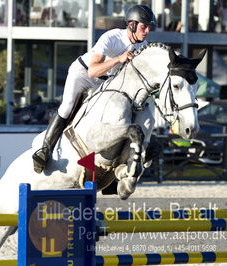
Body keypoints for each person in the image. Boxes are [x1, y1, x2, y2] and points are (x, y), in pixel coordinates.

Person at [32, 4, 156, 173]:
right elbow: (93, 71)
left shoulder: (143, 46)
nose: (147, 31)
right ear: (132, 25)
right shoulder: (112, 37)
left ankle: (116, 167)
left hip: (106, 82)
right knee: (68, 106)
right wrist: (119, 59)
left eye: (149, 27)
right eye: (144, 26)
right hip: (83, 73)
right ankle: (45, 150)